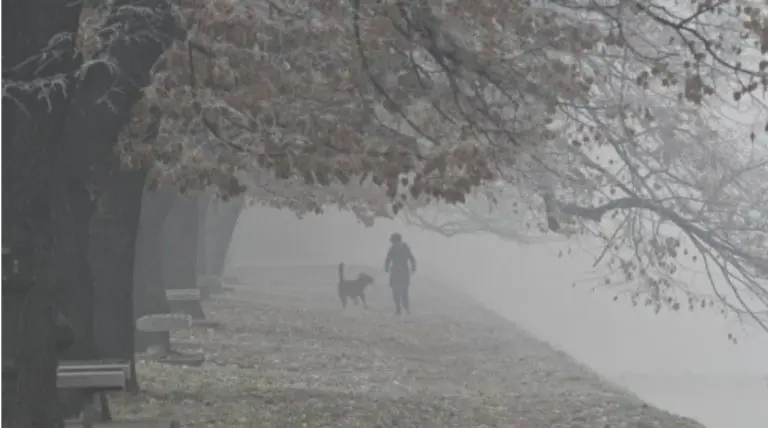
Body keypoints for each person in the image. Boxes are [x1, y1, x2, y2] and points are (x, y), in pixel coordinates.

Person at [384, 233, 416, 315]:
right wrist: (413, 267)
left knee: (396, 291)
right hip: (404, 271)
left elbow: (388, 259)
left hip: (396, 271)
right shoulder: (405, 247)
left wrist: (386, 268)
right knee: (404, 290)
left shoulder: (393, 248)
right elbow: (412, 258)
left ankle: (399, 308)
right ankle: (406, 308)